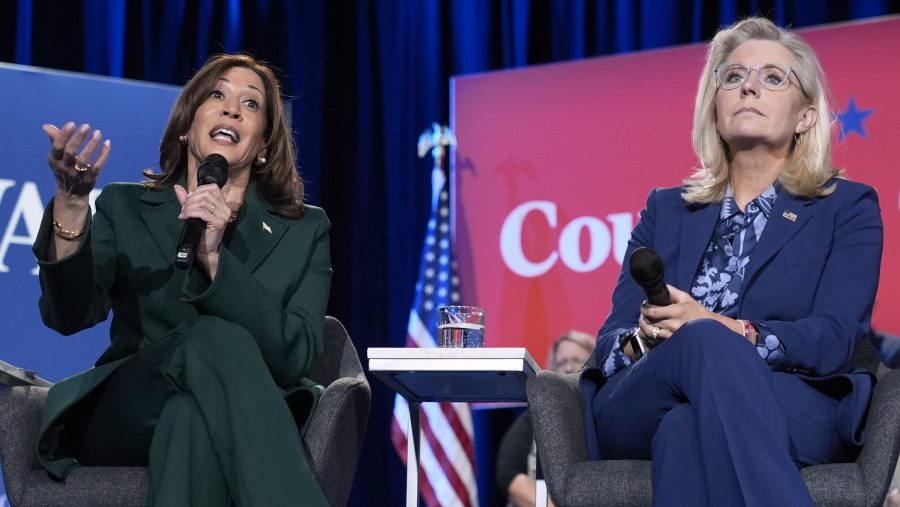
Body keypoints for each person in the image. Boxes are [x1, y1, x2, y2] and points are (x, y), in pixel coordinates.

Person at [579, 17, 883, 506]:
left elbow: (833, 338)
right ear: (716, 107)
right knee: (697, 344)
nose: (749, 88)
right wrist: (646, 338)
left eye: (772, 77)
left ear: (806, 116)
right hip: (644, 396)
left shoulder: (846, 207)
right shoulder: (666, 207)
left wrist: (724, 327)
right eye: (734, 76)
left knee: (683, 429)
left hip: (793, 399)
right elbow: (612, 340)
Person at [33, 53, 331, 506]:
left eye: (251, 105)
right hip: (127, 413)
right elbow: (69, 315)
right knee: (208, 337)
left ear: (265, 145)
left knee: (188, 419)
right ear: (186, 127)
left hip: (233, 414)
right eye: (217, 95)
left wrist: (214, 258)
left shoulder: (305, 229)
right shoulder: (126, 206)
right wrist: (72, 205)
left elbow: (295, 357)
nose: (231, 109)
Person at [497, 330, 595, 507]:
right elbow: (508, 473)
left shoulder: (604, 415)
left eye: (577, 360)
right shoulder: (534, 415)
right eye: (562, 362)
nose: (568, 368)